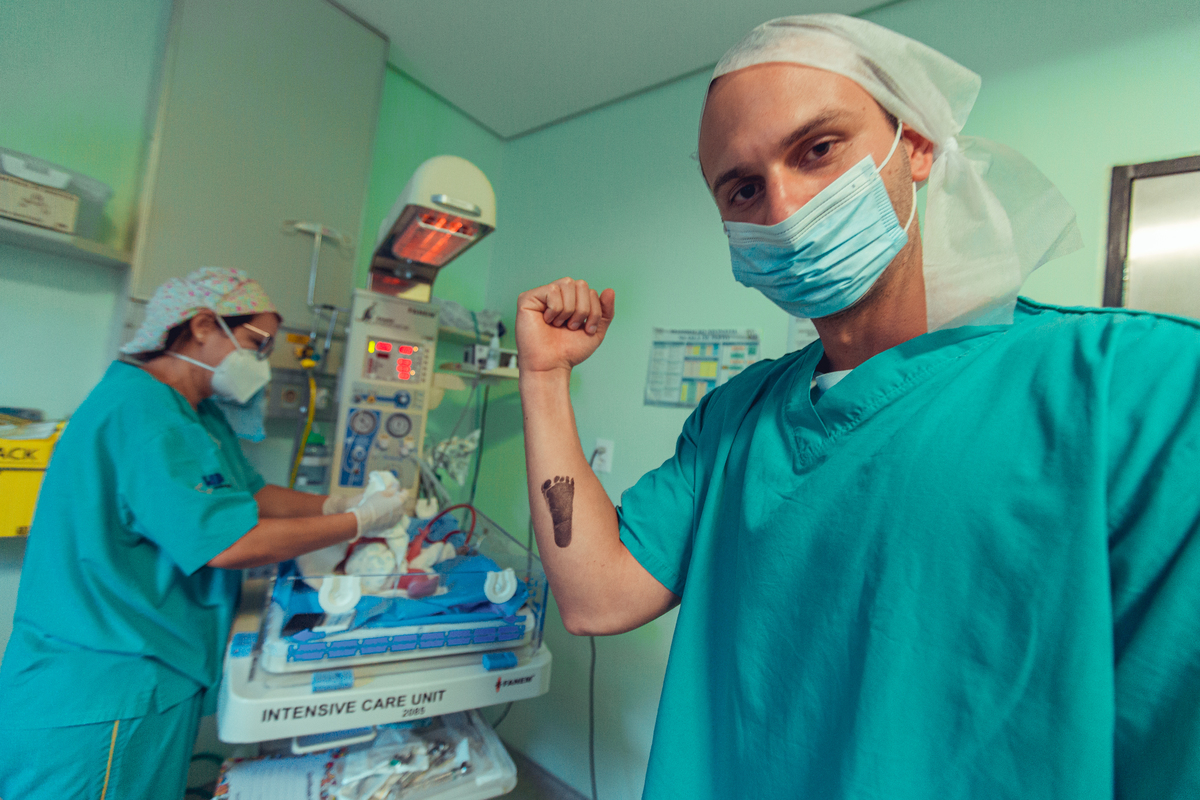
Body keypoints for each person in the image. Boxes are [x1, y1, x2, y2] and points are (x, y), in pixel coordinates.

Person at [516, 14, 1200, 800]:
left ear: (915, 147)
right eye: (742, 188)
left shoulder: (1131, 388)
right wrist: (543, 377)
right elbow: (596, 594)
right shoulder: (736, 419)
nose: (784, 207)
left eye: (817, 150)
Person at [0, 268, 406, 799]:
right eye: (257, 344)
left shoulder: (194, 412)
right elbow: (230, 542)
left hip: (148, 669)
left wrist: (339, 502)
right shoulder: (142, 415)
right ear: (202, 326)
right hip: (104, 684)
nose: (261, 361)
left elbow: (248, 495)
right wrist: (359, 523)